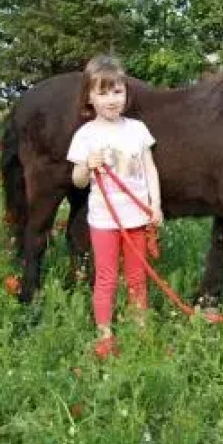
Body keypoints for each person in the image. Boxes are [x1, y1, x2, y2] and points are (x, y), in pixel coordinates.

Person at [67, 55, 162, 358]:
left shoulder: (137, 129)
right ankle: (105, 333)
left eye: (117, 91)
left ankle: (140, 327)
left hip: (136, 218)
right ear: (90, 97)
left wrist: (155, 205)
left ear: (126, 94)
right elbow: (78, 182)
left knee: (137, 277)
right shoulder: (86, 135)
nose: (111, 99)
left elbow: (150, 169)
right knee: (106, 277)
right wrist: (87, 166)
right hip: (105, 220)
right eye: (103, 92)